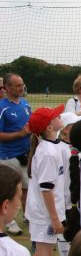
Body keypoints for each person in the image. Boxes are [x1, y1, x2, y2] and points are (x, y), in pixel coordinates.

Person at [26, 105, 66, 256]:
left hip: (43, 213)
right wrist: (55, 219)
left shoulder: (49, 147)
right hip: (45, 215)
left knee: (43, 255)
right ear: (49, 126)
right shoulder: (48, 152)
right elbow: (46, 189)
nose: (60, 117)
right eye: (55, 116)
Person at [0, 73, 31, 236]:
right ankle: (9, 221)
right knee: (9, 190)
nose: (21, 88)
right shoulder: (2, 107)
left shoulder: (25, 103)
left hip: (24, 154)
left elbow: (30, 125)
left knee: (26, 188)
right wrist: (19, 134)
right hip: (8, 157)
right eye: (17, 85)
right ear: (7, 88)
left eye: (22, 84)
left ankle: (27, 216)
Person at [57, 112, 81, 256]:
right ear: (66, 130)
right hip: (64, 197)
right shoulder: (60, 149)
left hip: (77, 196)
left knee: (76, 226)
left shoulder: (79, 147)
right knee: (64, 227)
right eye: (74, 125)